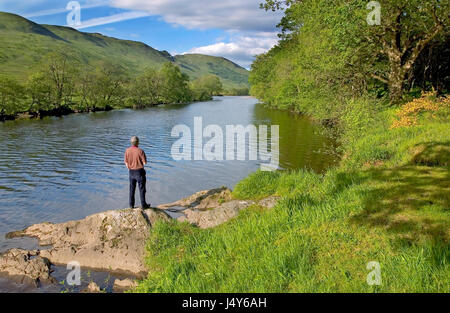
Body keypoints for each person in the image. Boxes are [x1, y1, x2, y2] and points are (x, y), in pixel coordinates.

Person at [124, 136, 150, 209]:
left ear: (131, 143)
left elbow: (126, 163)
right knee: (142, 189)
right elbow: (145, 163)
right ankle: (143, 205)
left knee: (132, 189)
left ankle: (131, 205)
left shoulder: (127, 150)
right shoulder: (140, 151)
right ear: (138, 142)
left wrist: (130, 167)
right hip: (139, 172)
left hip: (131, 172)